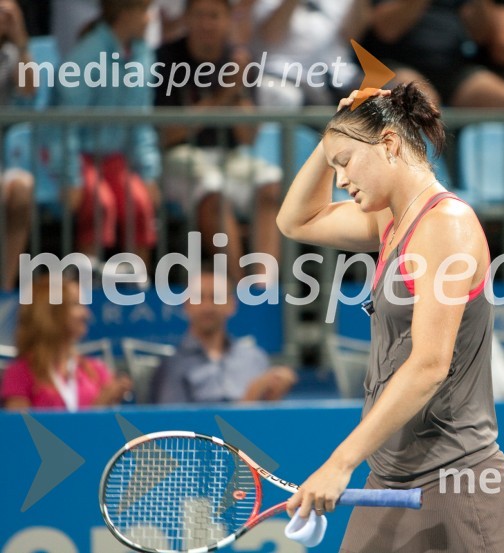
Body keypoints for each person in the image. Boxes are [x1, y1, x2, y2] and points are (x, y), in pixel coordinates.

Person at [277, 84, 504, 552]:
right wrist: (333, 139)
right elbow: (297, 221)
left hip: (459, 483)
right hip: (390, 479)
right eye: (334, 166)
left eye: (346, 164)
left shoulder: (445, 227)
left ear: (391, 145)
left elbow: (429, 365)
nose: (339, 179)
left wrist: (339, 463)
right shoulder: (390, 221)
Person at [155, 0, 283, 282]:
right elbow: (167, 134)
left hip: (231, 155)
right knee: (212, 188)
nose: (207, 24)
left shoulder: (239, 60)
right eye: (200, 15)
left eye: (214, 16)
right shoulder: (164, 60)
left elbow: (248, 136)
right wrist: (221, 97)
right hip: (177, 157)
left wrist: (236, 91)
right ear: (186, 19)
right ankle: (240, 289)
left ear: (228, 20)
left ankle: (264, 287)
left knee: (271, 185)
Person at [56, 0, 161, 270]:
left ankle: (139, 293)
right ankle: (88, 293)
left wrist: (148, 173)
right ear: (124, 13)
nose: (149, 19)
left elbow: (140, 122)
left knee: (140, 204)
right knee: (99, 204)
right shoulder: (85, 56)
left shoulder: (142, 55)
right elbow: (64, 125)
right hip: (79, 157)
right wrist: (71, 177)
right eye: (143, 11)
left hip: (115, 160)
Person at [150, 270, 297, 404]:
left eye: (216, 297)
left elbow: (270, 419)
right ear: (186, 305)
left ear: (231, 304)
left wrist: (274, 391)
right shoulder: (172, 365)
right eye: (199, 298)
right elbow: (173, 425)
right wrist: (249, 399)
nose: (207, 307)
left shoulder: (254, 357)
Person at [362, 0, 504, 108]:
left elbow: (480, 34)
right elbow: (387, 31)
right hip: (398, 64)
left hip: (453, 67)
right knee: (422, 101)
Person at [1, 276, 132, 410]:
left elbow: (110, 428)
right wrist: (98, 406)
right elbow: (20, 428)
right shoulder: (20, 373)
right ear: (49, 313)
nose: (86, 314)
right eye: (76, 304)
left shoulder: (96, 371)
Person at [253, 0, 370, 107]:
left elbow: (351, 36)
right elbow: (271, 35)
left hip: (338, 75)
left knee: (381, 95)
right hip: (288, 73)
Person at [0, 0, 35, 291]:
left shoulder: (11, 54)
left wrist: (21, 42)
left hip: (4, 160)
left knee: (21, 190)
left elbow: (28, 89)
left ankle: (5, 289)